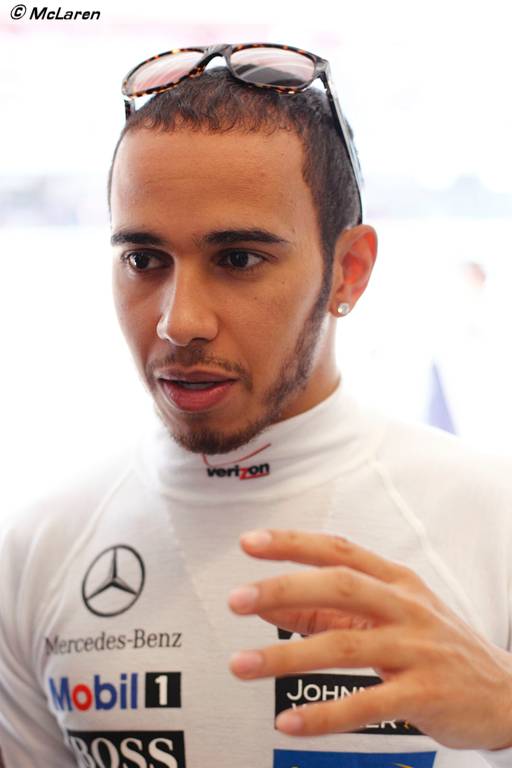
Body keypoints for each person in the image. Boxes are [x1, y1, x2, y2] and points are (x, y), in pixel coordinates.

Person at [1, 43, 512, 768]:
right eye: (144, 260)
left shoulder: (494, 518)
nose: (180, 322)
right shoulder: (35, 549)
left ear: (349, 271)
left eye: (238, 259)